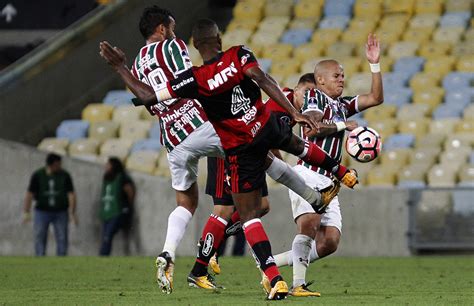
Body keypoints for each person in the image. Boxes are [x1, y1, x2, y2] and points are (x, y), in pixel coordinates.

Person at [100, 18, 358, 300]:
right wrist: (293, 112)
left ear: (196, 46)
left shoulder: (194, 78)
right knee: (294, 144)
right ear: (220, 39)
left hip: (238, 148)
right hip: (263, 125)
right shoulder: (239, 54)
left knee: (250, 215)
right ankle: (339, 173)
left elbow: (148, 96)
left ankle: (274, 279)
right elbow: (263, 79)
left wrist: (120, 67)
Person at [272, 33, 384, 297]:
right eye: (337, 76)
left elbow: (375, 98)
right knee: (309, 228)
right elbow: (311, 129)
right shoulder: (315, 97)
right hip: (309, 173)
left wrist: (375, 65)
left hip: (331, 180)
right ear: (320, 79)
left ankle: (269, 263)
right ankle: (297, 285)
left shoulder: (342, 105)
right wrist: (345, 126)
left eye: (343, 76)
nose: (342, 79)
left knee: (329, 241)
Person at [23, 153, 77, 256]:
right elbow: (30, 194)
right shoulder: (38, 175)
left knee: (62, 236)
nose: (60, 166)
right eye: (57, 164)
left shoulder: (65, 175)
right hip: (42, 211)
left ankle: (61, 259)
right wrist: (26, 211)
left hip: (60, 211)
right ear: (51, 165)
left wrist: (72, 212)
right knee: (40, 235)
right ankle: (40, 257)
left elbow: (71, 194)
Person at [99, 157, 135, 256]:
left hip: (118, 211)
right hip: (107, 211)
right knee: (105, 236)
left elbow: (130, 191)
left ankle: (103, 256)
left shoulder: (122, 177)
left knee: (108, 235)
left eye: (108, 164)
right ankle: (103, 256)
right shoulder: (107, 177)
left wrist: (128, 206)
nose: (106, 166)